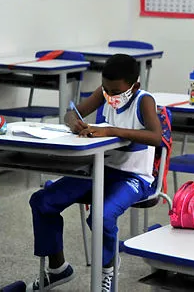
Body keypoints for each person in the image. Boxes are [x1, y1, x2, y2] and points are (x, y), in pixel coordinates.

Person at [27, 54, 162, 291]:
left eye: (116, 91)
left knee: (102, 216)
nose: (110, 96)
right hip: (100, 169)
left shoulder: (144, 100)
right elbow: (72, 113)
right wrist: (74, 123)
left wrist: (111, 130)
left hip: (134, 177)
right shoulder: (106, 93)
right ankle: (58, 269)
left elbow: (155, 136)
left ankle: (107, 269)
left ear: (135, 86)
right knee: (42, 200)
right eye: (106, 90)